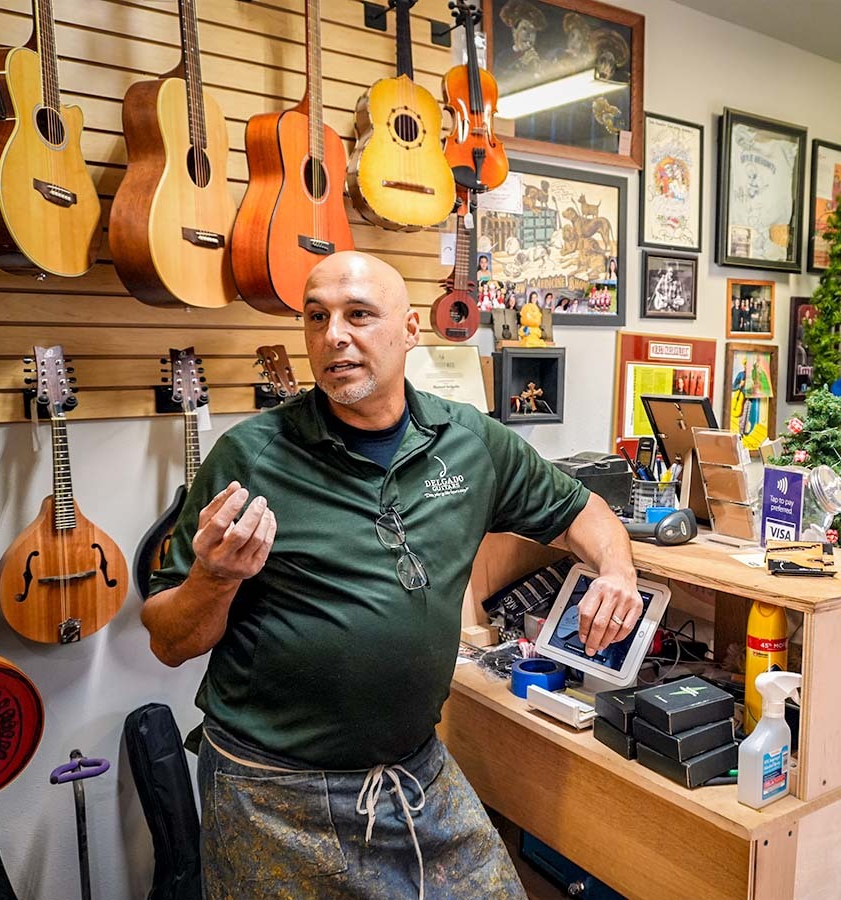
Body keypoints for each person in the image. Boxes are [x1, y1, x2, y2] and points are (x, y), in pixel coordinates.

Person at [142, 252, 641, 899]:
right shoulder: (252, 455)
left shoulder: (470, 441)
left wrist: (619, 571)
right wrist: (214, 576)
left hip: (413, 772)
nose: (335, 335)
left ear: (409, 330)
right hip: (271, 792)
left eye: (358, 315)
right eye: (316, 317)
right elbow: (170, 640)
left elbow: (583, 511)